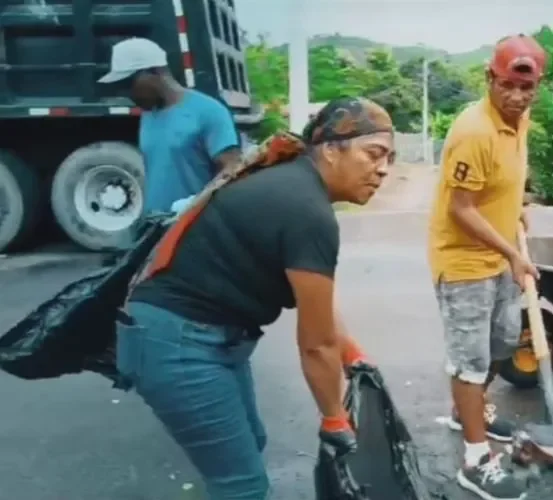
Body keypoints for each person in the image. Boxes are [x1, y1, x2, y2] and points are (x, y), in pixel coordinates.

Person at [114, 98, 395, 500]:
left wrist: (352, 355)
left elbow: (315, 299)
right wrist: (334, 419)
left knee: (247, 451)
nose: (384, 169)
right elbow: (315, 344)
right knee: (242, 485)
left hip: (206, 336)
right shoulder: (307, 210)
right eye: (374, 154)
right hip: (178, 343)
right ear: (331, 150)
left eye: (389, 158)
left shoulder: (295, 185)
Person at [427, 34, 545, 500]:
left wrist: (516, 204)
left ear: (537, 86)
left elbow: (507, 174)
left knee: (500, 341)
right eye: (506, 86)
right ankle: (475, 460)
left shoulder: (519, 118)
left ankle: (467, 411)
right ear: (489, 78)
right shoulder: (473, 130)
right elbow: (461, 208)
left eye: (526, 88)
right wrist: (515, 254)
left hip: (499, 254)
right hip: (463, 261)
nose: (515, 98)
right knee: (470, 360)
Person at [99, 37, 242, 214]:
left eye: (128, 84)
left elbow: (233, 169)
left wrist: (194, 205)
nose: (127, 93)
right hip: (158, 225)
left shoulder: (208, 111)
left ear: (154, 71)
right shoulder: (149, 114)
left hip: (195, 227)